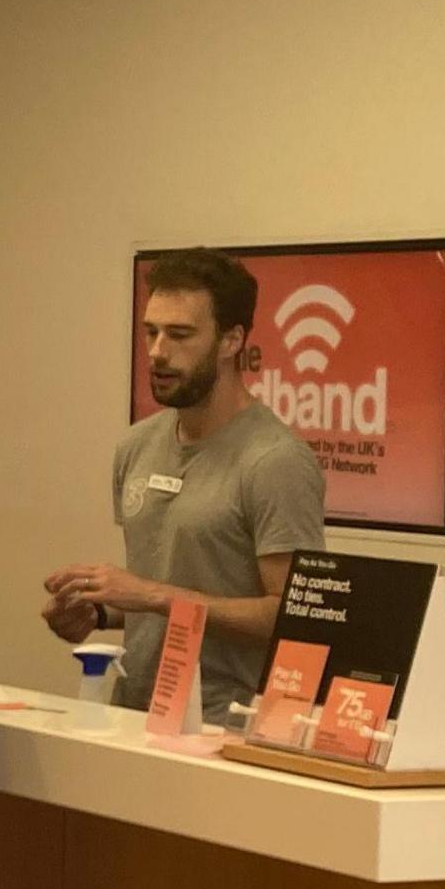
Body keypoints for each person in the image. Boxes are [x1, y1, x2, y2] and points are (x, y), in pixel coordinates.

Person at [43, 248, 326, 724]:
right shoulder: (136, 446)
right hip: (135, 714)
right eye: (151, 332)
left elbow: (294, 617)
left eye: (179, 335)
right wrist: (100, 615)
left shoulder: (275, 461)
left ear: (232, 340)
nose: (157, 351)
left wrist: (151, 593)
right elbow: (164, 592)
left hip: (223, 726)